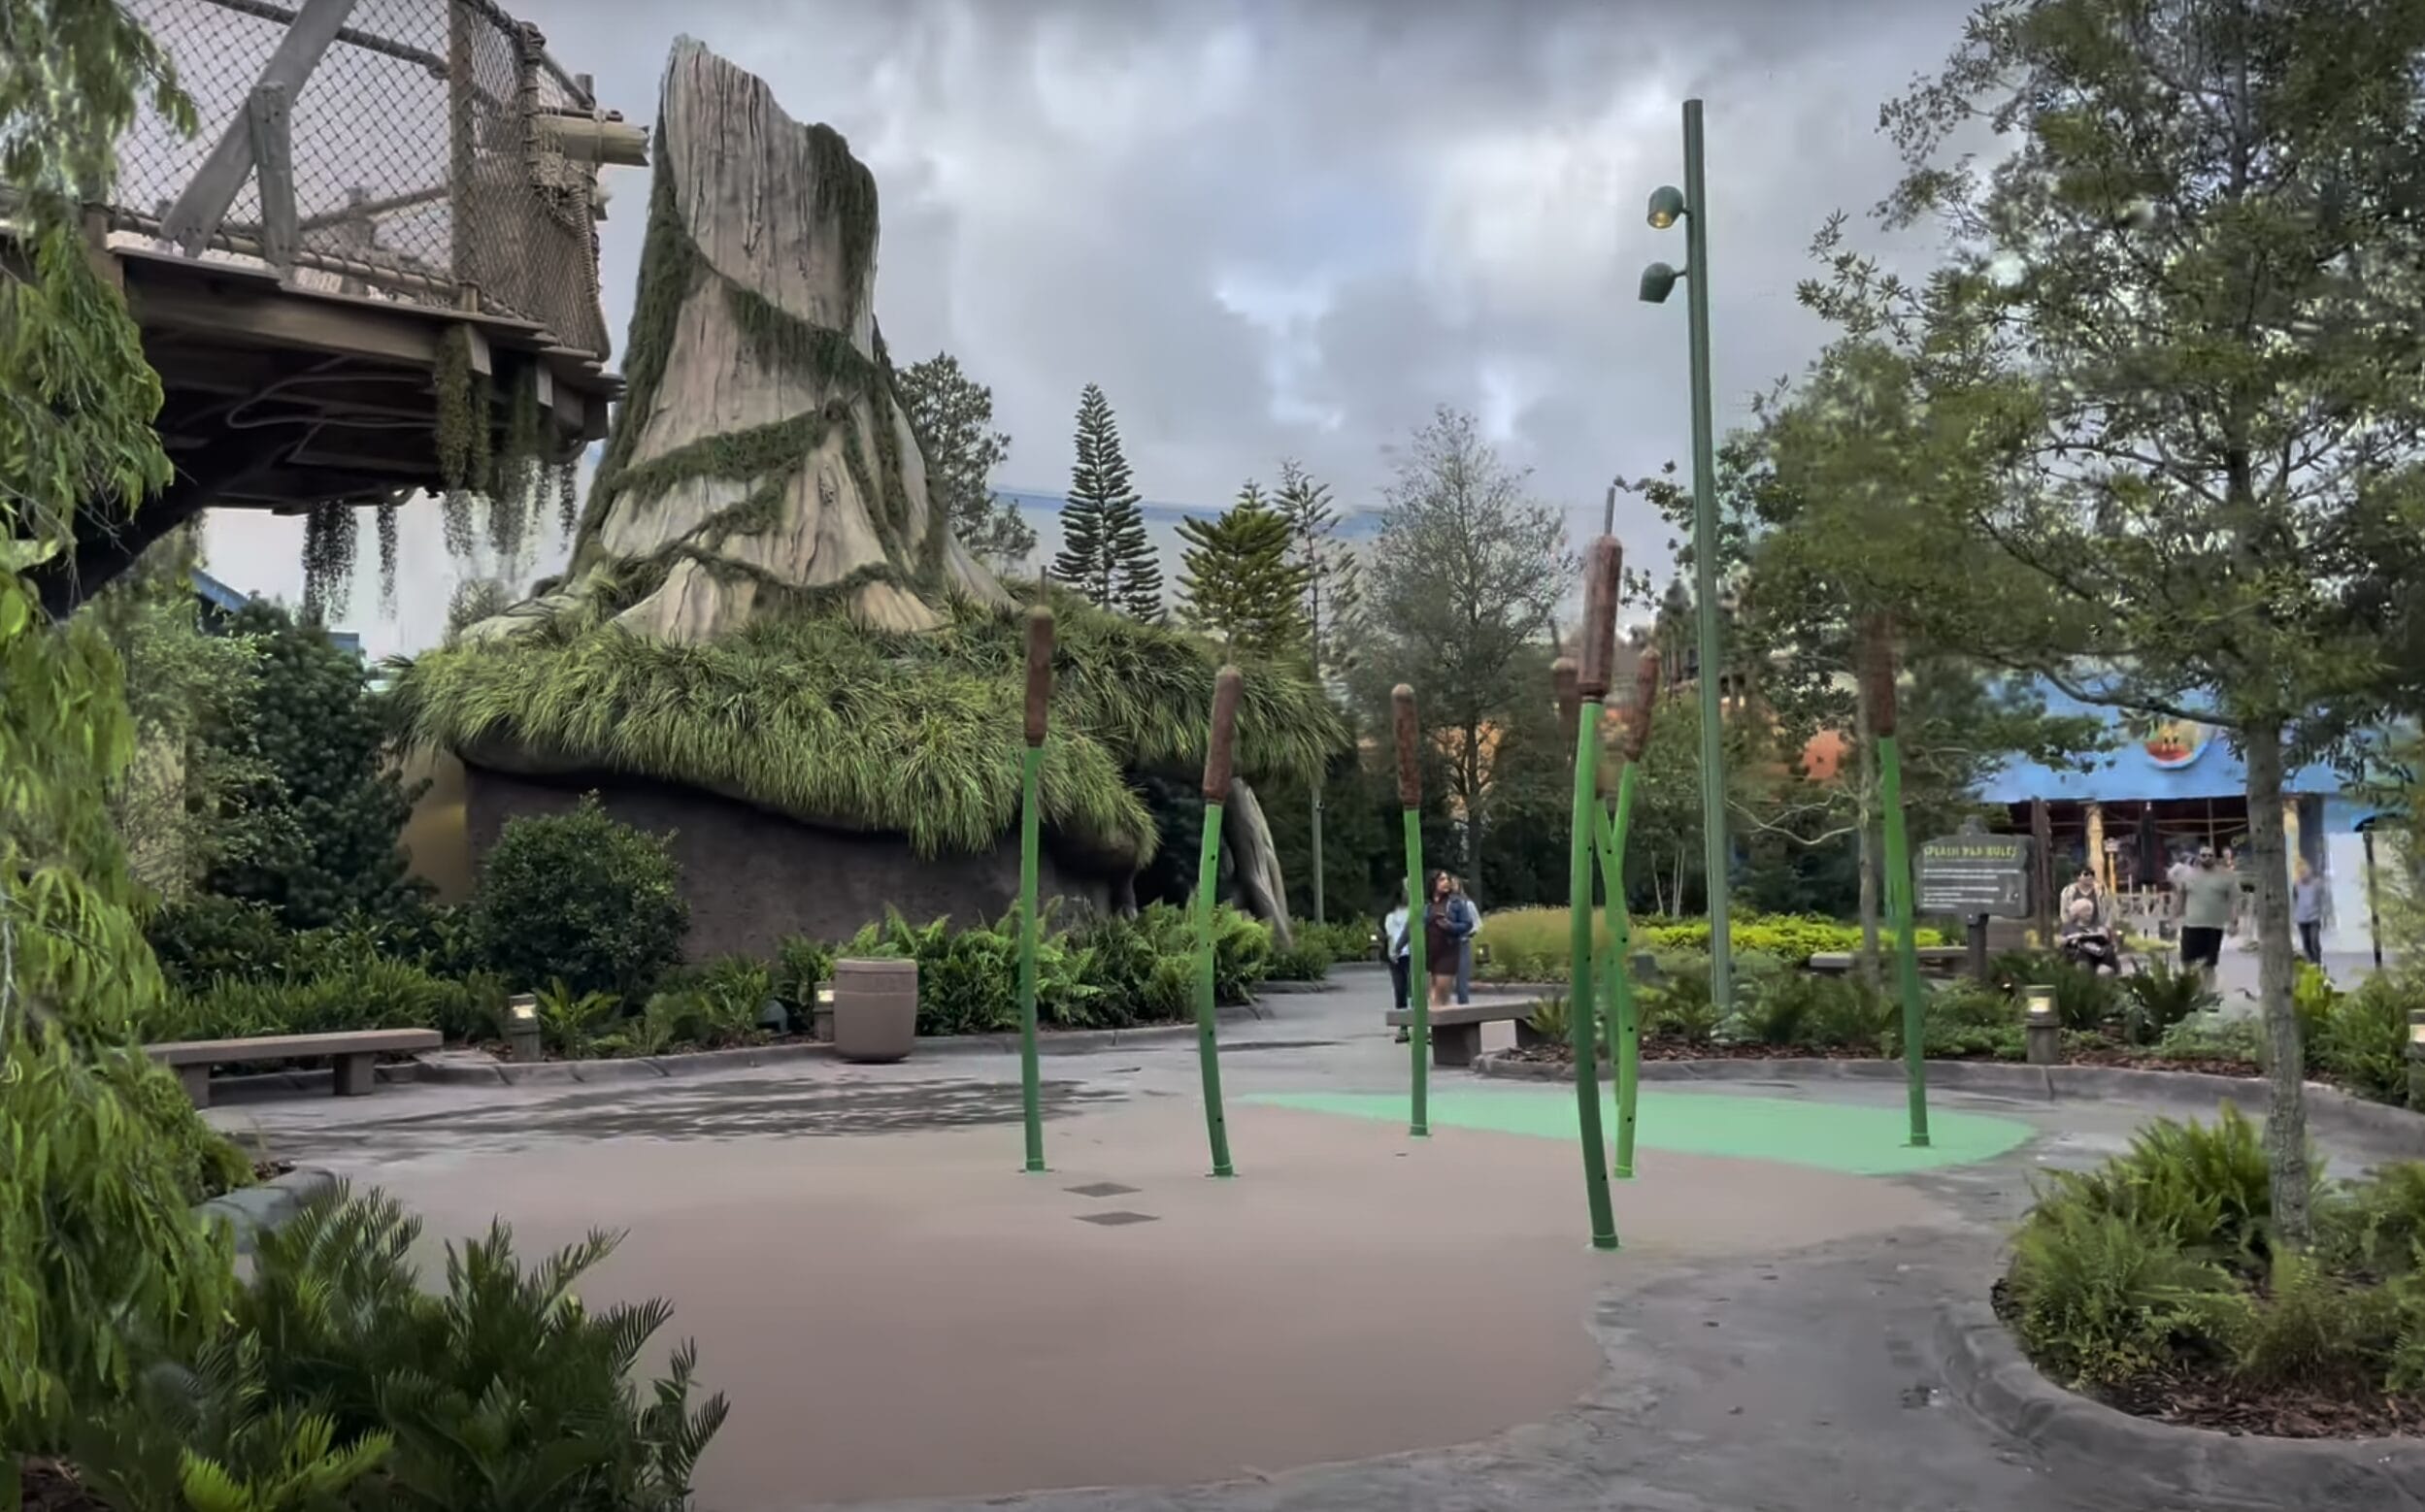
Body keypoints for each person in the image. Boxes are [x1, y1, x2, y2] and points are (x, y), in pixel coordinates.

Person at [2176, 846, 2237, 986]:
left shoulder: (2225, 877)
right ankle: (2189, 993)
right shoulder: (2187, 876)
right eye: (2203, 855)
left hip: (2213, 926)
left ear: (2215, 857)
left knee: (2209, 965)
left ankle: (2208, 995)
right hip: (2192, 925)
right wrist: (2174, 917)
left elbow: (2232, 901)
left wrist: (2233, 922)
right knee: (2188, 963)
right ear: (2198, 857)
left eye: (2210, 855)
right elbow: (2180, 898)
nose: (2207, 858)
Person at [1423, 871, 1461, 1010]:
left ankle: (1442, 1027)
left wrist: (1450, 926)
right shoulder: (1425, 905)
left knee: (1442, 991)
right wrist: (1398, 947)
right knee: (1433, 992)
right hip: (1430, 951)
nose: (1446, 882)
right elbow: (1412, 926)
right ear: (1433, 883)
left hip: (1448, 950)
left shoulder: (1455, 903)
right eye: (1442, 879)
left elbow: (1467, 924)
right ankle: (1436, 1026)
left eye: (1447, 879)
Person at [1382, 887, 1412, 1035]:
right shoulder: (1391, 916)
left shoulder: (1415, 912)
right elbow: (1390, 937)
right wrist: (1391, 953)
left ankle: (1420, 1025)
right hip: (1397, 956)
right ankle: (1403, 1026)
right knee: (1400, 990)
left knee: (1413, 990)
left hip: (1412, 954)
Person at [1447, 876, 1481, 1005]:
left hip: (1462, 943)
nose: (1452, 887)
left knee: (1461, 980)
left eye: (1454, 884)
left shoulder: (1467, 904)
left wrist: (1469, 932)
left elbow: (1477, 924)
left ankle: (1463, 1008)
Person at [2294, 859, 2328, 967]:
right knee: (2306, 942)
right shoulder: (2297, 885)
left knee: (2314, 941)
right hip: (2302, 918)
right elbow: (2296, 899)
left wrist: (2324, 914)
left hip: (2314, 917)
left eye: (2304, 873)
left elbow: (2323, 898)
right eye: (2301, 874)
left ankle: (2317, 961)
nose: (2303, 876)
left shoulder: (2316, 884)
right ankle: (2310, 962)